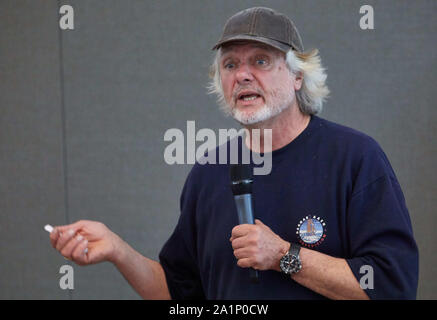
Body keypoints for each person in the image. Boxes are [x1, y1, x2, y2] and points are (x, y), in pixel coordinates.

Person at [49, 7, 419, 300]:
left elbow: (391, 286)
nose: (242, 75)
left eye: (260, 61)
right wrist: (117, 250)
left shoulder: (355, 158)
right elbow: (178, 293)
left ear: (297, 77)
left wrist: (283, 256)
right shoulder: (208, 172)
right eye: (230, 65)